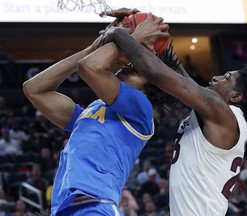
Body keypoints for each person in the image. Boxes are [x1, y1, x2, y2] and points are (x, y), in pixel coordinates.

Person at [101, 11, 247, 215]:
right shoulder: (220, 116)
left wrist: (119, 33)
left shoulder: (222, 112)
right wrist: (153, 32)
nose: (215, 77)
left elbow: (155, 72)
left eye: (226, 78)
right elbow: (178, 73)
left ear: (236, 97)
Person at [23, 8, 179, 216]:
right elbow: (34, 89)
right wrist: (95, 46)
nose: (128, 65)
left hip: (96, 206)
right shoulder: (91, 111)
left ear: (151, 83)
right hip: (65, 209)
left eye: (135, 69)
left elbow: (89, 68)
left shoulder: (141, 108)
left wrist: (129, 38)